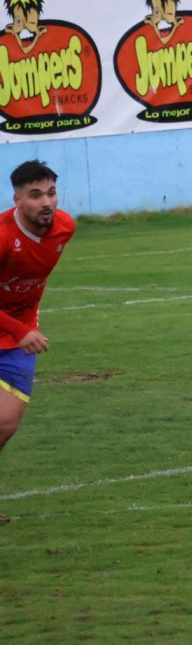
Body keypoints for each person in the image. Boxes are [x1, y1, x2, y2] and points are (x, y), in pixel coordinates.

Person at [0, 161, 76, 524]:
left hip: (20, 336)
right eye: (35, 195)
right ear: (17, 200)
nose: (46, 202)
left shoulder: (65, 228)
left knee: (6, 424)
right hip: (18, 333)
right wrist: (18, 329)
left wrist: (23, 324)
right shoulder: (1, 236)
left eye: (51, 192)